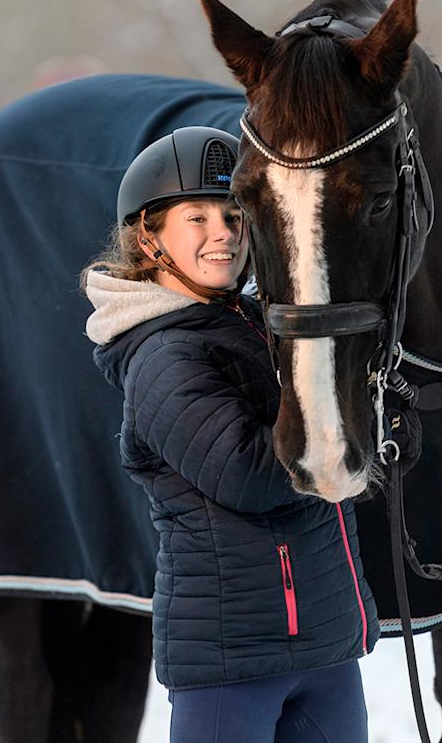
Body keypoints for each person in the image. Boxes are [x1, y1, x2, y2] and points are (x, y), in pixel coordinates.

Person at [82, 127, 382, 743]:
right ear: (149, 236)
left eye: (233, 214)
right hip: (232, 662)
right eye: (196, 217)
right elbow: (245, 474)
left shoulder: (253, 324)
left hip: (325, 643)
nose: (222, 232)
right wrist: (345, 427)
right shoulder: (163, 354)